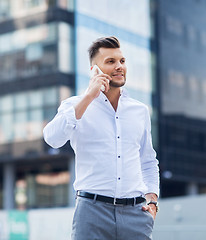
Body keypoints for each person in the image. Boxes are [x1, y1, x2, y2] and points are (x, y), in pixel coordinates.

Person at [43, 36, 160, 240]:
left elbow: (148, 161)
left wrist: (152, 201)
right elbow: (52, 138)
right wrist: (89, 96)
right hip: (92, 214)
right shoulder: (75, 105)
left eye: (122, 61)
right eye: (110, 61)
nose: (119, 67)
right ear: (94, 70)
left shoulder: (140, 111)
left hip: (135, 216)